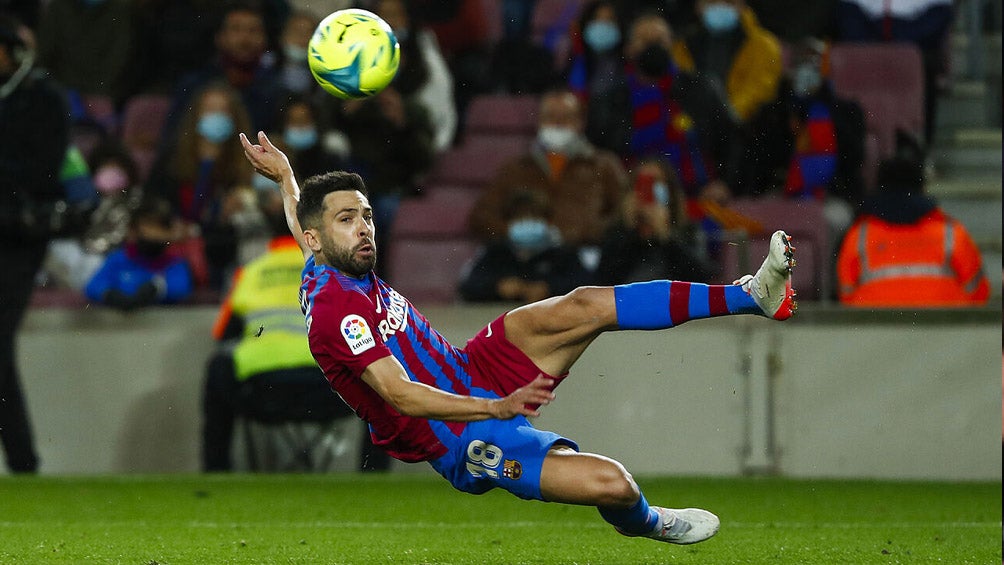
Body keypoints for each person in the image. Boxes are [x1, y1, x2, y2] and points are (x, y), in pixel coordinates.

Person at [240, 128, 797, 545]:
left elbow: (302, 219)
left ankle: (751, 295)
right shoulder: (338, 311)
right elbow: (400, 395)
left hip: (471, 367)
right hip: (461, 436)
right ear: (319, 238)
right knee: (614, 485)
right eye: (347, 220)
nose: (363, 227)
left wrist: (287, 175)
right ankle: (652, 524)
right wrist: (494, 407)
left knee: (584, 304)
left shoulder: (323, 258)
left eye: (366, 215)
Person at [203, 192, 389, 472]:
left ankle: (216, 473)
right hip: (329, 390)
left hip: (261, 390)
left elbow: (222, 334)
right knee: (382, 375)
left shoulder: (251, 272)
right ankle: (373, 478)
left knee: (218, 368)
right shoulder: (340, 270)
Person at [0, 12, 70, 473]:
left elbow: (46, 170)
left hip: (18, 236)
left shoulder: (42, 97)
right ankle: (24, 461)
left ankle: (24, 461)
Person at [835, 131, 990, 307]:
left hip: (878, 330)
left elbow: (846, 296)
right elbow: (979, 294)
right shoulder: (951, 233)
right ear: (921, 189)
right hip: (943, 330)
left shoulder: (859, 236)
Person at [468, 89, 627, 250]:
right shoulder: (516, 167)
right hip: (523, 254)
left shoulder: (603, 165)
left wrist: (583, 231)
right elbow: (482, 216)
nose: (558, 123)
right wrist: (510, 231)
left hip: (583, 254)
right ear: (539, 121)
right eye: (550, 117)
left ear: (581, 122)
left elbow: (623, 213)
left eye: (566, 117)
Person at [148, 80, 261, 290]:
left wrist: (243, 200)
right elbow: (153, 201)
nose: (216, 117)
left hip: (224, 248)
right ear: (196, 116)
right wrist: (172, 224)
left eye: (222, 111)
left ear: (234, 118)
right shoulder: (172, 158)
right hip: (177, 244)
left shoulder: (248, 159)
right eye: (209, 110)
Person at [597, 156, 717, 285]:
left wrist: (665, 236)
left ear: (670, 190)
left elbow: (700, 278)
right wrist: (631, 229)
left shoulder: (688, 229)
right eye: (643, 183)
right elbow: (604, 280)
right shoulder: (617, 231)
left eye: (657, 182)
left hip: (672, 302)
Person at [459, 190, 594, 304]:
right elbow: (468, 286)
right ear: (508, 222)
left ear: (548, 221)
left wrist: (550, 288)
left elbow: (586, 284)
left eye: (534, 216)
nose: (527, 222)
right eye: (520, 217)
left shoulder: (562, 253)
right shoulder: (496, 251)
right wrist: (497, 287)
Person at [84, 197, 193, 311]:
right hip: (120, 325)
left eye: (159, 227)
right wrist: (109, 294)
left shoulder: (175, 263)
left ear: (170, 233)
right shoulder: (119, 259)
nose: (153, 234)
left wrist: (156, 288)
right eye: (147, 226)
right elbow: (93, 285)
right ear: (133, 231)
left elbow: (181, 287)